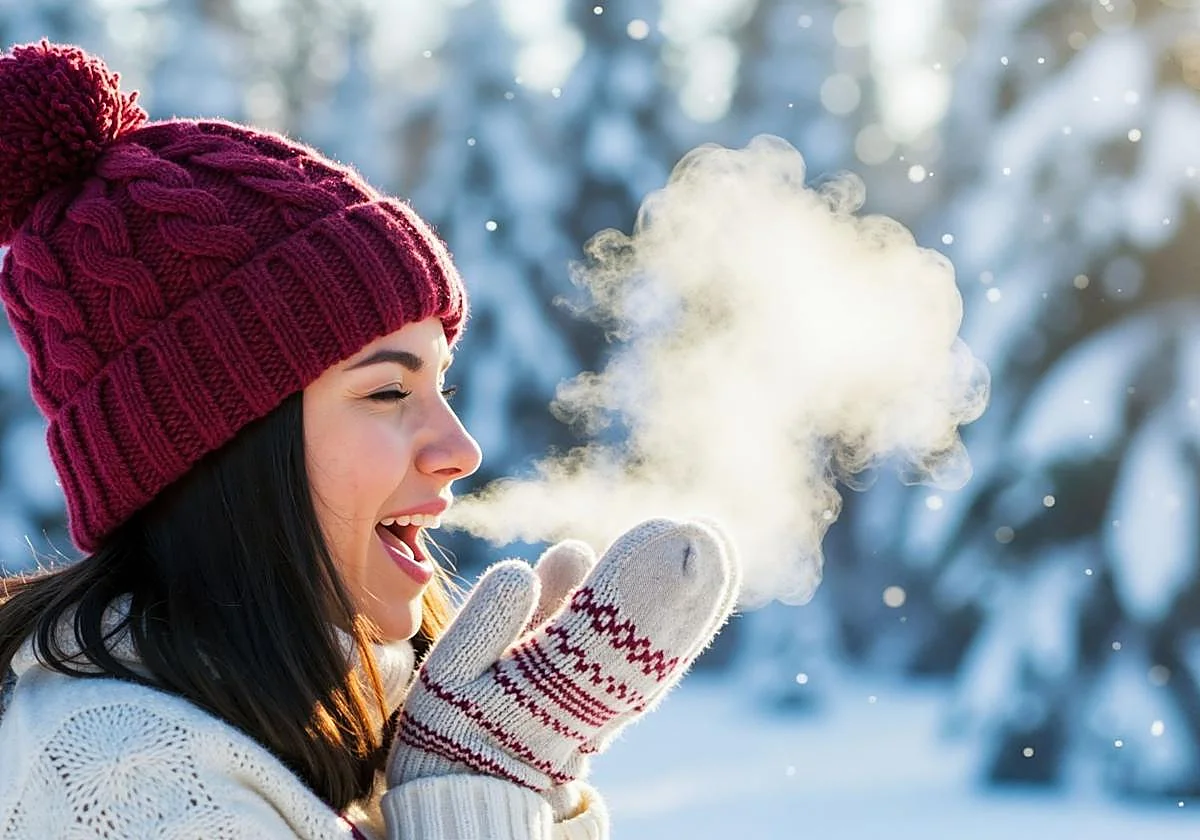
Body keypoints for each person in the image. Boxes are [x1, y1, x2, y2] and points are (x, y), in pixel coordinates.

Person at [0, 40, 741, 839]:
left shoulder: (326, 728)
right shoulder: (131, 781)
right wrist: (475, 792)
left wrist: (506, 776)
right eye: (389, 391)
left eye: (441, 386)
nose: (460, 448)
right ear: (219, 451)